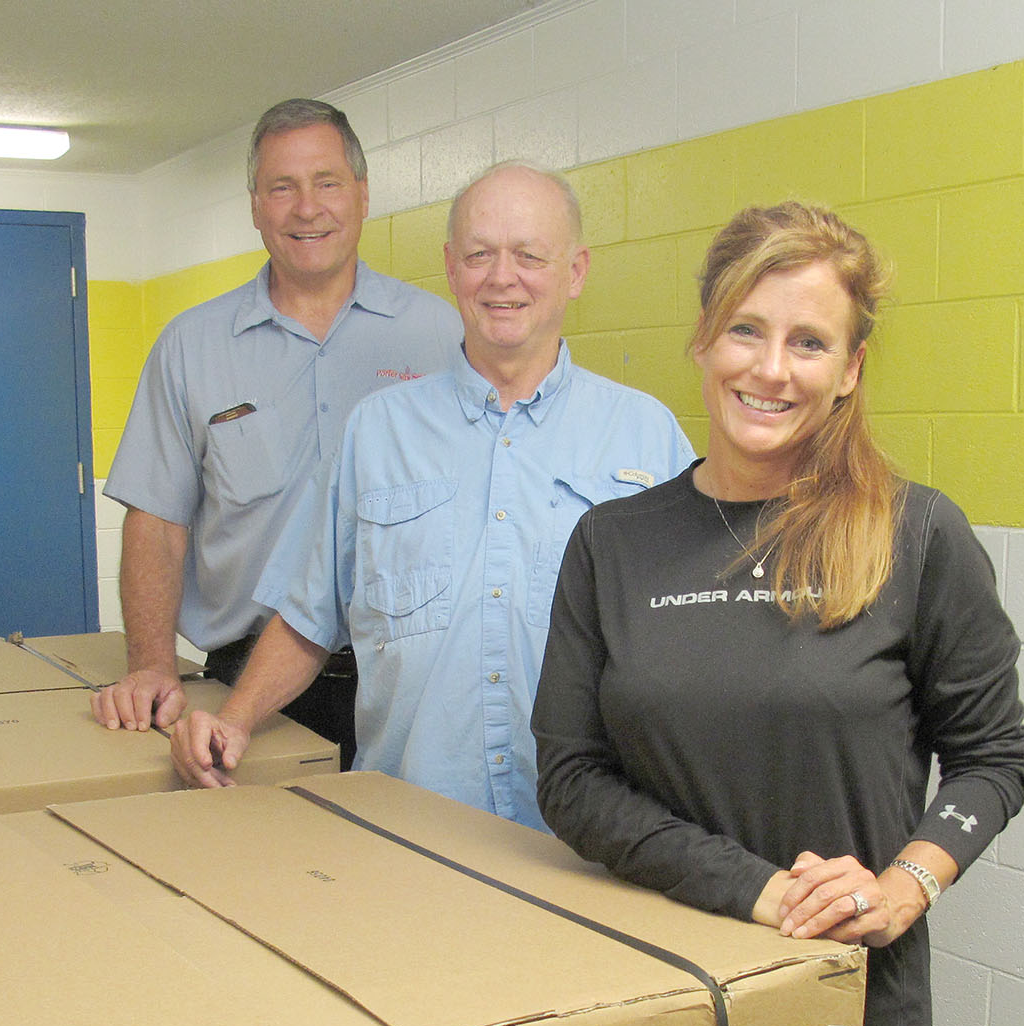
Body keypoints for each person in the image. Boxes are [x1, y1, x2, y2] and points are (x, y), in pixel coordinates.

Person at [531, 202, 1024, 1026]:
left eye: (808, 341)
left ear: (850, 370)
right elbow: (569, 778)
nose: (771, 368)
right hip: (655, 1004)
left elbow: (993, 758)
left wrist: (905, 885)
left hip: (835, 1011)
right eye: (746, 330)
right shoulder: (613, 544)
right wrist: (752, 890)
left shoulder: (916, 534)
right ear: (703, 339)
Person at [166, 162, 694, 828]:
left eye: (530, 255)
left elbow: (697, 643)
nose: (502, 277)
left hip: (590, 840)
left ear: (576, 271)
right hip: (412, 831)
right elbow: (308, 615)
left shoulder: (647, 438)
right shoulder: (376, 433)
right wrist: (234, 719)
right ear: (450, 268)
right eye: (479, 255)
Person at [92, 99, 462, 764]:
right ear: (256, 206)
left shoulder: (443, 335)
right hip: (246, 695)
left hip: (415, 685)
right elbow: (157, 522)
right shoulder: (191, 346)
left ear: (363, 194)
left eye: (327, 182)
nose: (307, 208)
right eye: (282, 187)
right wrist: (150, 665)